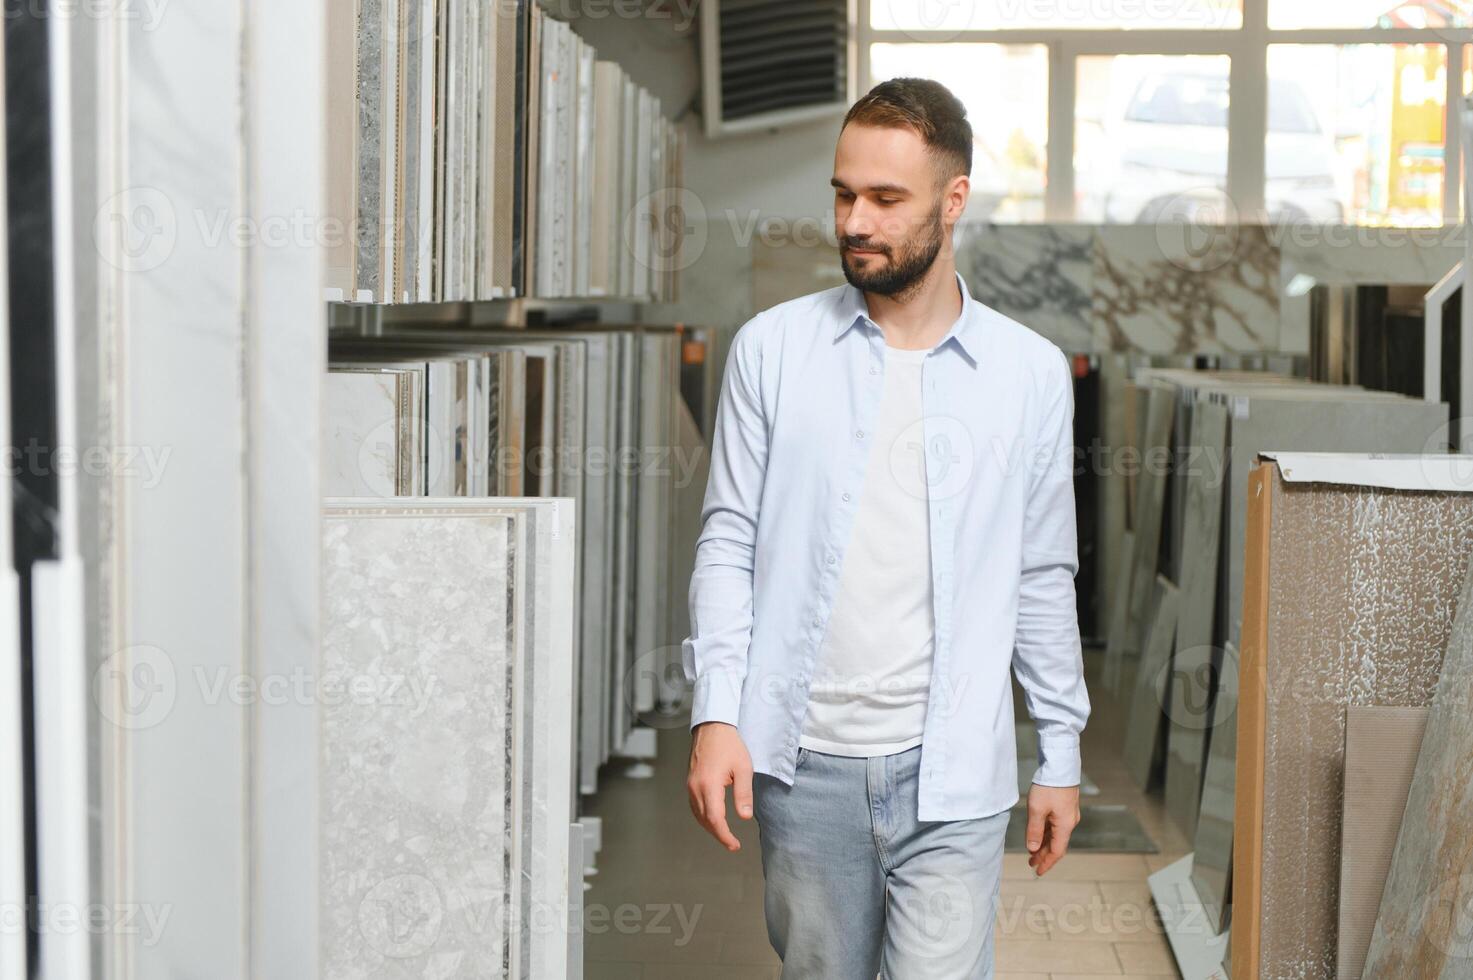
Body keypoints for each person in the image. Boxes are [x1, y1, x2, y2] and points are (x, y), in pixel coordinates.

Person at [681, 77, 1091, 979]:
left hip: (953, 776)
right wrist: (717, 713)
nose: (853, 221)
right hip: (802, 765)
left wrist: (1059, 750)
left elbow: (1039, 574)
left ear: (953, 201)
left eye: (884, 199)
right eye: (841, 193)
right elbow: (727, 544)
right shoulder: (771, 351)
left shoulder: (1025, 374)